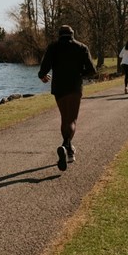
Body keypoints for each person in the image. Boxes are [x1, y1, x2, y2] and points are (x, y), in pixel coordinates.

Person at [38, 25, 97, 171]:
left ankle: (69, 150)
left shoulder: (53, 47)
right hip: (74, 87)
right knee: (72, 120)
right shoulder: (81, 47)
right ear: (72, 34)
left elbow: (43, 70)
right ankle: (65, 146)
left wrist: (44, 77)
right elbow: (92, 70)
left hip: (58, 88)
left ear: (59, 35)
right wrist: (79, 74)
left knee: (65, 118)